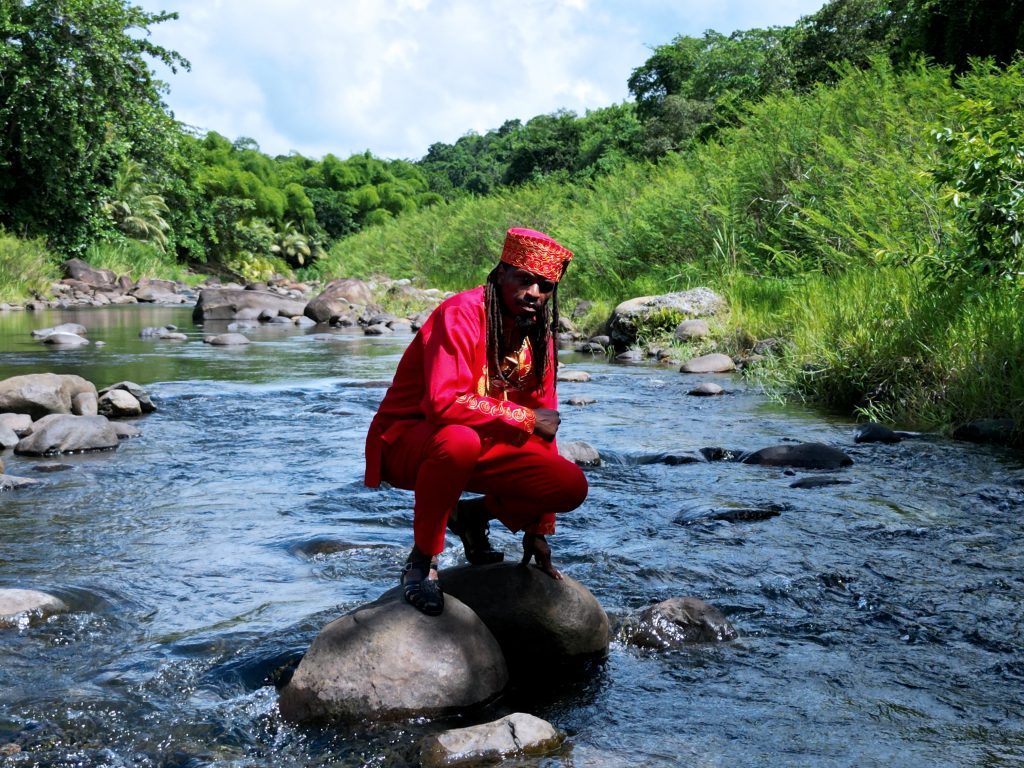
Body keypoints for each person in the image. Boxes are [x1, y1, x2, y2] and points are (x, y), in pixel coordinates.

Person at [364, 227, 589, 616]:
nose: (535, 293)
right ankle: (423, 561)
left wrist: (538, 527)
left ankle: (470, 517)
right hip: (410, 441)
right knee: (459, 440)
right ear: (501, 273)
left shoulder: (539, 336)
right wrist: (523, 417)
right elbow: (442, 403)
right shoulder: (460, 313)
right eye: (525, 279)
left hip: (478, 441)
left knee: (569, 483)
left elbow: (545, 426)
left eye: (546, 286)